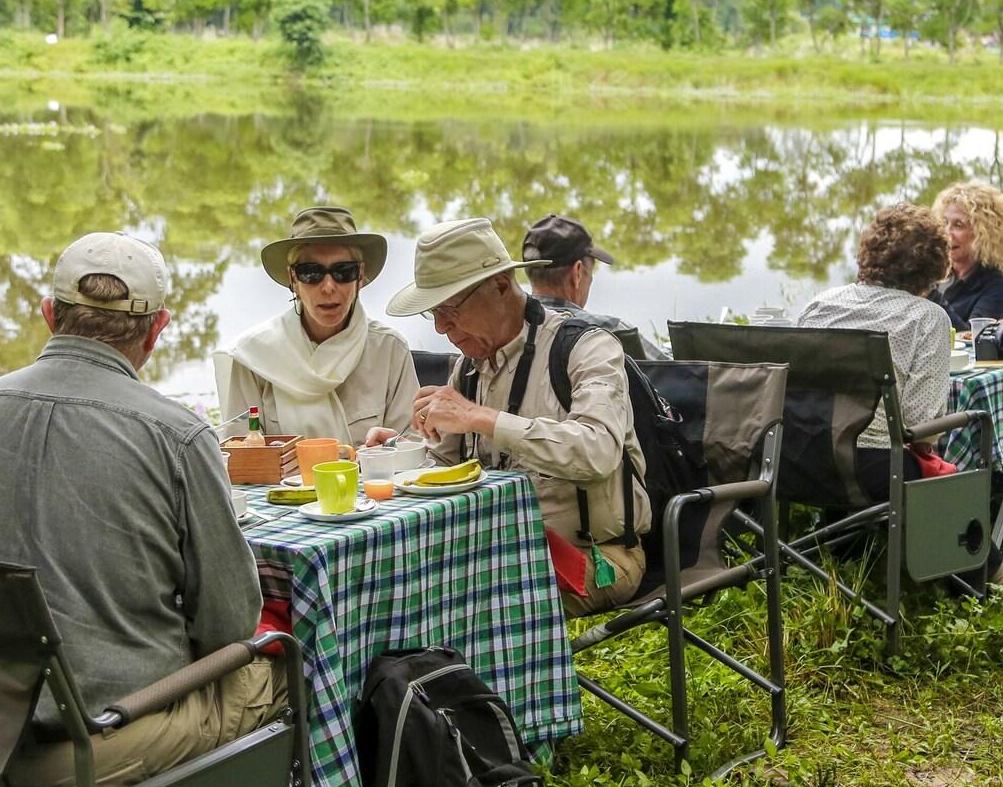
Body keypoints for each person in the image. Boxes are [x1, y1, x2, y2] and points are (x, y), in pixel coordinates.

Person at [0, 231, 280, 787]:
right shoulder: (179, 436)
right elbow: (227, 628)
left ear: (50, 315)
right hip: (100, 735)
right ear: (158, 328)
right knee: (289, 664)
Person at [374, 217, 649, 616]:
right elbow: (443, 463)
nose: (440, 327)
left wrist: (481, 418)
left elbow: (598, 451)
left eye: (450, 308)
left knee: (456, 604)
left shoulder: (588, 348)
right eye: (433, 312)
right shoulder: (469, 367)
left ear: (501, 286)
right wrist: (397, 453)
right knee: (394, 588)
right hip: (494, 551)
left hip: (596, 558)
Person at [799, 206, 1003, 597]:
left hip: (801, 460)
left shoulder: (822, 304)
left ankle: (838, 547)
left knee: (900, 456)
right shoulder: (927, 317)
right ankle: (996, 578)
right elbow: (919, 425)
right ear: (936, 264)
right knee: (936, 462)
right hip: (873, 471)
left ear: (870, 252)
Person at [215, 205, 413, 444]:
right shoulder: (253, 356)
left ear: (360, 276)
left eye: (343, 271)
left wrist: (397, 448)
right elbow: (239, 454)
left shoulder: (390, 350)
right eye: (311, 273)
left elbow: (412, 449)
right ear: (293, 279)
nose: (328, 287)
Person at [523, 213, 667, 358]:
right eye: (590, 272)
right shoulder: (611, 332)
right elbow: (672, 374)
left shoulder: (508, 327)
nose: (590, 279)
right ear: (577, 272)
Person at [931, 181, 1003, 328]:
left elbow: (971, 337)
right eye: (944, 223)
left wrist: (930, 294)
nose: (946, 233)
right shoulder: (933, 270)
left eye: (958, 225)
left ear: (984, 233)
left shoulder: (996, 285)